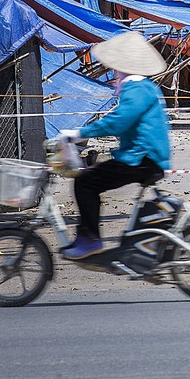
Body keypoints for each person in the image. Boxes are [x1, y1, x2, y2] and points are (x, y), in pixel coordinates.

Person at [57, 32, 170, 260]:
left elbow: (120, 121)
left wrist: (80, 133)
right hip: (144, 157)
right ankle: (91, 238)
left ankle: (89, 240)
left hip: (141, 158)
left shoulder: (136, 88)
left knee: (85, 182)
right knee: (91, 179)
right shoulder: (144, 86)